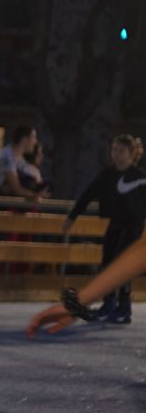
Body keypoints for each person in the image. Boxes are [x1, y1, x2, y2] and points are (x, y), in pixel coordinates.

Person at [61, 135, 146, 323]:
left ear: (132, 154)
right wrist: (72, 217)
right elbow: (88, 195)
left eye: (121, 151)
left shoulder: (140, 178)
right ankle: (109, 303)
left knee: (121, 263)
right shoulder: (107, 175)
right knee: (107, 262)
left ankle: (124, 307)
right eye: (114, 150)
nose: (117, 154)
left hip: (133, 225)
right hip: (115, 223)